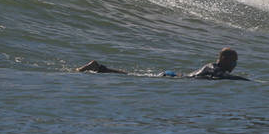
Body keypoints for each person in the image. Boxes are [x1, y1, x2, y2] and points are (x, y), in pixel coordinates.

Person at [75, 47, 248, 80]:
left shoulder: (216, 69)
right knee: (135, 77)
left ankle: (100, 68)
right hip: (172, 79)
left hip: (175, 77)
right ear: (225, 60)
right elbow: (224, 76)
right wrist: (246, 81)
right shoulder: (212, 67)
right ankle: (97, 67)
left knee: (133, 76)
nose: (235, 65)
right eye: (234, 62)